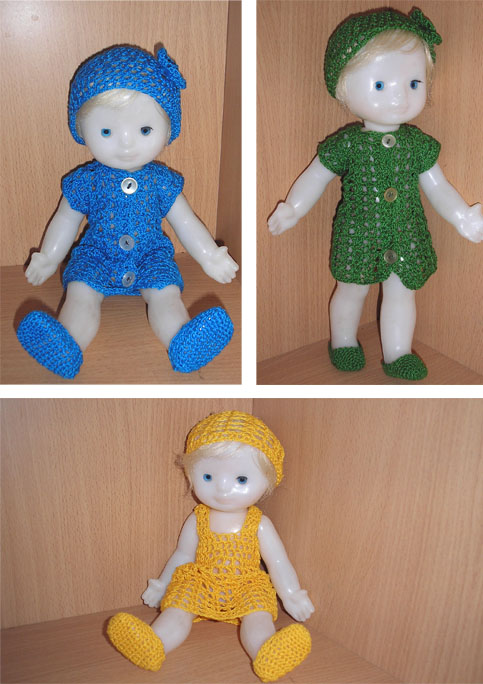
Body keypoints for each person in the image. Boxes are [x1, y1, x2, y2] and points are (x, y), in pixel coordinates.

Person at [268, 9, 482, 380]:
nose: (399, 97)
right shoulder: (348, 144)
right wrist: (293, 207)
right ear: (343, 87)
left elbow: (438, 187)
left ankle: (397, 353)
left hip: (405, 233)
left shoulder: (417, 145)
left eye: (413, 83)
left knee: (402, 292)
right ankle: (343, 341)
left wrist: (462, 215)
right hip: (358, 234)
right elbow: (316, 176)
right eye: (380, 85)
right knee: (351, 290)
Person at [17, 45, 238, 378]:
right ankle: (66, 342)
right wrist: (49, 256)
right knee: (80, 293)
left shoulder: (162, 182)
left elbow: (185, 221)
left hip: (151, 255)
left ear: (168, 130)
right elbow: (66, 218)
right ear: (81, 130)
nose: (126, 144)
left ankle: (183, 340)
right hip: (96, 253)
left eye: (144, 130)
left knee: (165, 295)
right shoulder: (87, 181)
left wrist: (209, 256)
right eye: (106, 131)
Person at [107, 411, 314, 682]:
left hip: (246, 584)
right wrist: (162, 584)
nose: (223, 489)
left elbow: (277, 561)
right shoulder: (198, 519)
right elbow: (183, 554)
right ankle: (154, 643)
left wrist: (291, 594)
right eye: (207, 477)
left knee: (257, 617)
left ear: (268, 481)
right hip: (201, 581)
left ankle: (266, 651)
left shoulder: (259, 524)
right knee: (177, 609)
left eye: (241, 480)